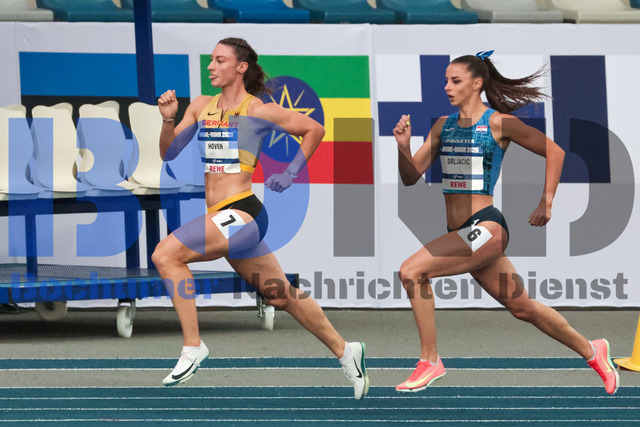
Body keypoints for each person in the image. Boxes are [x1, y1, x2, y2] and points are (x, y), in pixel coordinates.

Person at [392, 50, 619, 395]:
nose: (447, 87)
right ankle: (593, 350)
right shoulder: (442, 127)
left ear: (476, 84)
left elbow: (555, 152)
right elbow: (410, 178)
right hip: (463, 233)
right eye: (446, 81)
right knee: (522, 307)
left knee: (412, 271)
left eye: (455, 81)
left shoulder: (498, 123)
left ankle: (429, 360)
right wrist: (403, 149)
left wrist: (546, 201)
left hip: (486, 228)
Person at [153, 37, 369, 399]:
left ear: (241, 67)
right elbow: (169, 153)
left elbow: (314, 129)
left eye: (219, 60)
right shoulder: (201, 106)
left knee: (165, 255)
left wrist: (291, 172)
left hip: (243, 212)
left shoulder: (258, 110)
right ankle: (347, 351)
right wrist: (169, 119)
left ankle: (193, 345)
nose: (210, 66)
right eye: (211, 60)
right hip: (221, 216)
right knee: (281, 295)